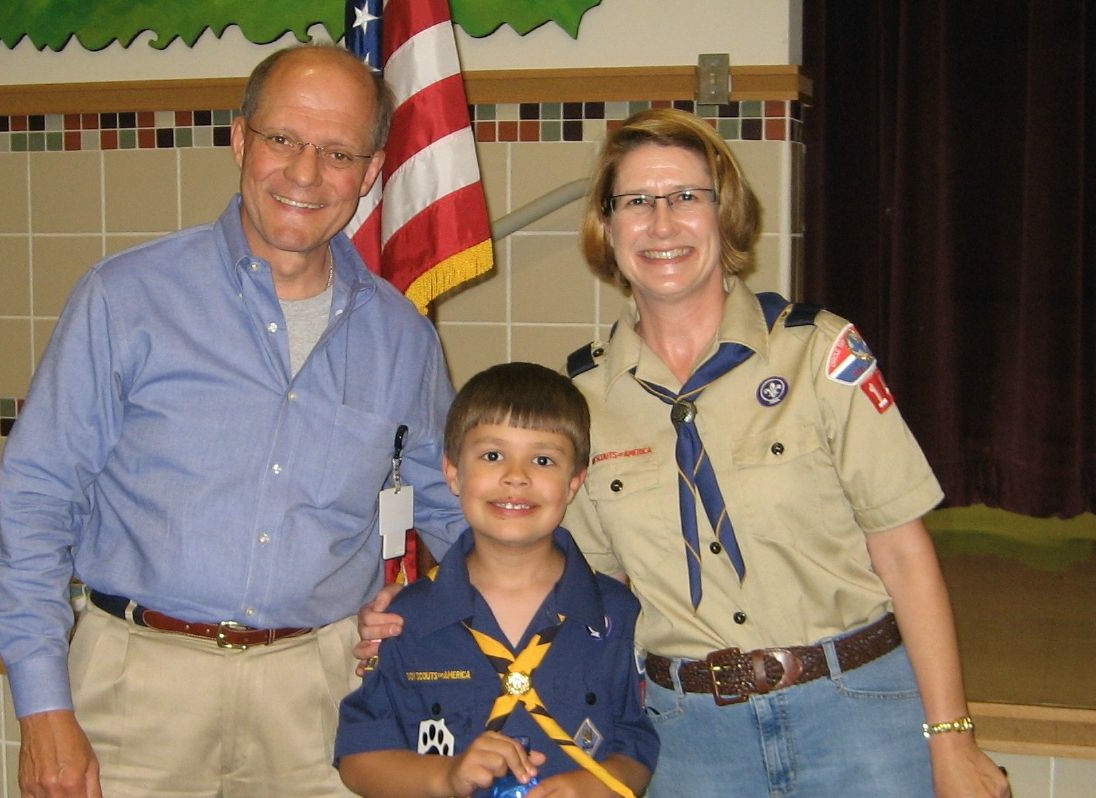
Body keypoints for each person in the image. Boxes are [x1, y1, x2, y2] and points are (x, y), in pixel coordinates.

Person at [358, 109, 1010, 797]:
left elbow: (903, 553)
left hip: (857, 714)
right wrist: (421, 608)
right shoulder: (580, 400)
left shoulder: (818, 353)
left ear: (724, 215)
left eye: (686, 197)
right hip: (691, 741)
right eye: (636, 201)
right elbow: (556, 572)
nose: (662, 223)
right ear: (607, 227)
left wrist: (953, 738)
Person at [0, 44, 466, 798]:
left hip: (322, 704)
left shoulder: (404, 340)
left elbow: (454, 509)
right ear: (240, 139)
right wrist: (43, 707)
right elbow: (37, 502)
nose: (305, 174)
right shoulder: (126, 299)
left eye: (337, 153)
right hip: (132, 696)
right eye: (282, 139)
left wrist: (451, 609)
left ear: (371, 172)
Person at [336, 362, 658, 798]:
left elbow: (638, 740)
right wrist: (446, 777)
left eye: (543, 460)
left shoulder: (617, 614)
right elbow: (359, 757)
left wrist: (597, 786)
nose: (516, 476)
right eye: (492, 456)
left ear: (574, 483)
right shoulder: (403, 620)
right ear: (453, 473)